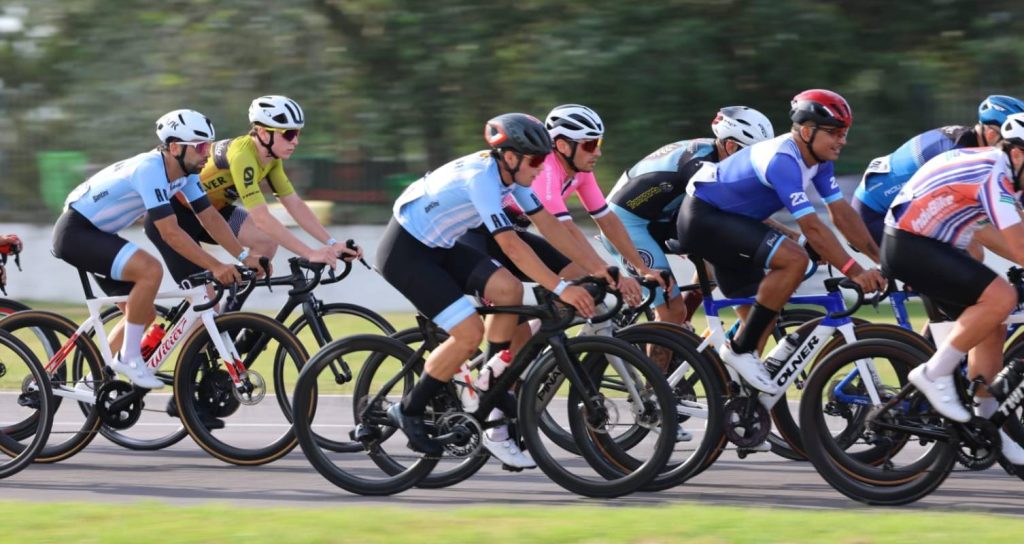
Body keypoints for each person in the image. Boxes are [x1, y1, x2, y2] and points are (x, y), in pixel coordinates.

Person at [376, 113, 613, 462]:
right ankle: (409, 410)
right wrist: (561, 288)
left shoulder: (512, 177)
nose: (541, 167)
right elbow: (513, 246)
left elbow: (549, 225)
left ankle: (489, 378)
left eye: (544, 159)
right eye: (535, 160)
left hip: (440, 245)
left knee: (508, 289)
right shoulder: (482, 179)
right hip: (406, 252)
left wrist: (599, 269)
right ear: (511, 156)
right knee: (468, 332)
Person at [675, 89, 885, 393]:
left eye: (845, 132)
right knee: (794, 260)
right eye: (835, 132)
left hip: (733, 223)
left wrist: (880, 261)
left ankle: (741, 404)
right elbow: (812, 227)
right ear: (807, 131)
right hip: (703, 218)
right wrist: (854, 270)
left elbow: (841, 214)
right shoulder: (783, 159)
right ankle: (738, 351)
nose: (843, 140)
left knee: (761, 317)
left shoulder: (820, 161)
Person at [53, 110, 261, 389]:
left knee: (142, 313)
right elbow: (170, 232)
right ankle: (128, 358)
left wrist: (244, 256)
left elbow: (210, 217)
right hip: (77, 232)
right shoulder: (150, 169)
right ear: (175, 147)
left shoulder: (185, 174)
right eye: (200, 147)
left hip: (97, 234)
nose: (207, 155)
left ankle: (90, 383)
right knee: (150, 270)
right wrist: (216, 266)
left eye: (209, 146)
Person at [884, 112, 1024, 464]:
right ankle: (933, 373)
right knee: (1001, 297)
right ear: (1019, 154)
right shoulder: (994, 172)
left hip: (933, 243)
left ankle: (987, 422)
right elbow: (1018, 246)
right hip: (909, 243)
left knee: (995, 323)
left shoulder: (1003, 169)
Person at [144, 95, 358, 289]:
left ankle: (234, 317)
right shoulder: (242, 156)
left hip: (213, 213)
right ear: (263, 133)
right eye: (289, 134)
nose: (295, 141)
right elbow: (262, 218)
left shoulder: (271, 159)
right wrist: (310, 253)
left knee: (265, 243)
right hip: (176, 217)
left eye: (298, 133)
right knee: (205, 302)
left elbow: (294, 204)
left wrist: (331, 243)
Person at [605, 106, 775, 325]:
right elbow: (737, 213)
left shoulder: (714, 153)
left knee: (716, 259)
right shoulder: (701, 165)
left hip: (658, 217)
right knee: (670, 313)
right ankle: (669, 337)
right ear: (731, 146)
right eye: (749, 154)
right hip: (625, 224)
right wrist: (790, 238)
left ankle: (684, 330)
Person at [853, 95, 1024, 245]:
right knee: (969, 252)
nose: (1014, 150)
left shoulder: (980, 150)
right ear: (991, 135)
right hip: (874, 214)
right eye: (1011, 142)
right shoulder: (958, 151)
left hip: (903, 213)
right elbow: (982, 228)